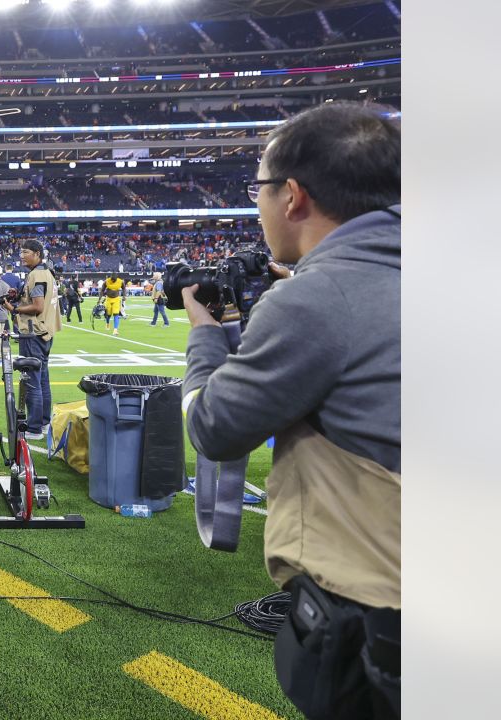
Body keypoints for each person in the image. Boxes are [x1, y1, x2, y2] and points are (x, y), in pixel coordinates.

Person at [180, 102, 400, 720]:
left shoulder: (317, 297)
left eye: (260, 188)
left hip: (381, 609)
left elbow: (214, 429)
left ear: (293, 197)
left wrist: (205, 332)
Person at [2, 239, 61, 440]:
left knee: (32, 380)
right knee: (43, 378)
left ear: (37, 253)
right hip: (45, 331)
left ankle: (34, 427)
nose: (21, 255)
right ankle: (44, 422)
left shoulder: (37, 275)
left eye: (25, 252)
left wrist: (14, 308)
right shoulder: (47, 273)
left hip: (33, 332)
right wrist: (18, 296)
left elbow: (37, 306)